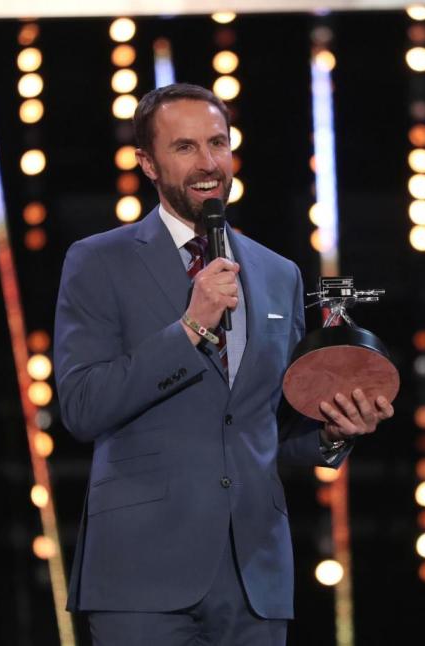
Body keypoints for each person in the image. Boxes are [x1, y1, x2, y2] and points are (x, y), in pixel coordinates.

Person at [54, 83, 393, 645]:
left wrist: (335, 431)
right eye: (184, 147)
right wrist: (190, 327)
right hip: (142, 577)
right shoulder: (98, 261)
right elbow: (83, 407)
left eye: (218, 143)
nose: (208, 163)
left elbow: (269, 428)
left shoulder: (277, 272)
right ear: (148, 163)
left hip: (254, 577)